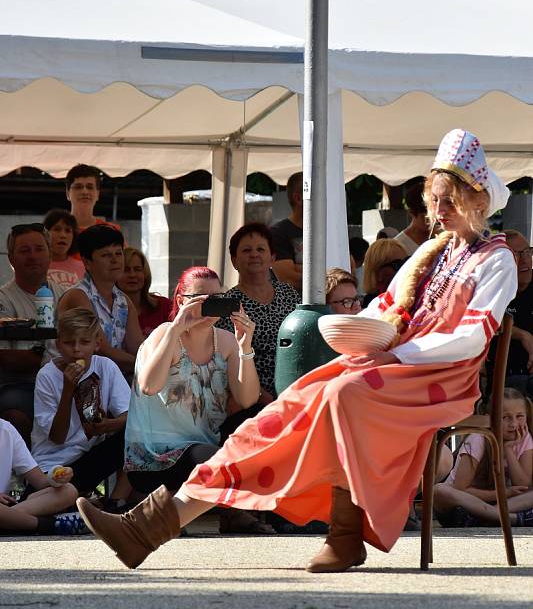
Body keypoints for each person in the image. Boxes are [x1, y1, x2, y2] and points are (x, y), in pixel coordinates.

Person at [76, 127, 517, 575]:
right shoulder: (433, 253)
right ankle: (150, 527)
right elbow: (384, 310)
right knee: (283, 410)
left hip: (441, 379)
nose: (439, 212)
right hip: (388, 367)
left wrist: (396, 356)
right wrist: (348, 328)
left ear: (477, 200)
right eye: (435, 201)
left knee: (341, 395)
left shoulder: (496, 259)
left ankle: (345, 536)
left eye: (449, 201)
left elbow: (472, 337)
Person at [122, 266, 273, 534]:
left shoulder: (225, 342)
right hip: (156, 456)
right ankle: (231, 512)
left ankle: (229, 511)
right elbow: (148, 386)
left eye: (218, 298)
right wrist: (176, 328)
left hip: (203, 444)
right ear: (181, 301)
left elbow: (247, 399)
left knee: (260, 418)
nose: (210, 306)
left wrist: (245, 346)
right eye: (201, 299)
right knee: (215, 459)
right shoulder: (165, 334)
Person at [31, 308, 131, 505]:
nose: (76, 349)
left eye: (84, 342)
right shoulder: (47, 376)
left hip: (88, 459)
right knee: (55, 494)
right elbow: (57, 437)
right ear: (58, 345)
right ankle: (77, 501)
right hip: (52, 468)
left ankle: (116, 502)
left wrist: (109, 424)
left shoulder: (106, 367)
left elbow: (130, 415)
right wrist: (68, 390)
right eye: (69, 343)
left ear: (97, 344)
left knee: (137, 434)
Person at [216, 223, 300, 402]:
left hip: (295, 391)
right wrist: (264, 398)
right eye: (246, 250)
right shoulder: (229, 303)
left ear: (272, 258)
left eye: (261, 249)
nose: (254, 254)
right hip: (250, 399)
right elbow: (227, 361)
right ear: (234, 260)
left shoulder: (290, 294)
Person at [0, 223, 68, 443]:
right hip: (21, 385)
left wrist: (37, 355)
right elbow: (7, 358)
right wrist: (43, 355)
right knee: (15, 416)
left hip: (66, 380)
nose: (33, 256)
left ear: (50, 255)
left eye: (39, 249)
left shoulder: (67, 295)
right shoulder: (4, 299)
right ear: (11, 259)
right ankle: (22, 474)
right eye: (24, 250)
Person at [434, 388, 533, 527]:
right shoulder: (478, 439)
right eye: (505, 417)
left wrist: (509, 450)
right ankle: (509, 519)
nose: (514, 424)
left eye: (520, 416)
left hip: (503, 504)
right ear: (489, 419)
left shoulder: (524, 438)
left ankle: (491, 516)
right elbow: (460, 489)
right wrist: (502, 493)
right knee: (439, 490)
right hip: (465, 503)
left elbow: (523, 485)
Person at [58, 225, 144, 374]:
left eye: (118, 253)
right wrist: (146, 365)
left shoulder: (124, 301)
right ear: (87, 262)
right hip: (72, 381)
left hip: (111, 380)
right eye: (106, 255)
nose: (115, 260)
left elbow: (139, 348)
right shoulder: (78, 296)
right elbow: (101, 350)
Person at [0, 417, 82, 535]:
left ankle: (10, 521)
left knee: (68, 491)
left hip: (5, 508)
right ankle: (49, 525)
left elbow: (40, 481)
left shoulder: (6, 429)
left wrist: (57, 477)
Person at [485, 230, 533, 399]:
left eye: (528, 251)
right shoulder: (491, 289)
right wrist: (522, 335)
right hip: (505, 381)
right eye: (517, 254)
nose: (525, 259)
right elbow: (484, 320)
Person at [117, 247, 171, 337]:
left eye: (137, 269)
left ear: (145, 273)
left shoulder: (164, 307)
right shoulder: (108, 311)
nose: (132, 275)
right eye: (126, 270)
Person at [270, 172, 303, 291]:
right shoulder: (278, 233)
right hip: (293, 308)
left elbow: (347, 271)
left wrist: (299, 268)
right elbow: (288, 279)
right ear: (299, 198)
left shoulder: (331, 233)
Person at [66, 164, 120, 234]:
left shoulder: (111, 231)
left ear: (97, 194)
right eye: (78, 187)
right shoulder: (55, 230)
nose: (84, 191)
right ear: (67, 194)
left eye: (90, 187)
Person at [361, 238, 409, 308]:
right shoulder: (373, 305)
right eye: (398, 264)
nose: (403, 268)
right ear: (378, 272)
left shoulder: (408, 294)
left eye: (406, 262)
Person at [44, 209, 85, 288]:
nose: (63, 235)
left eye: (68, 230)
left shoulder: (84, 269)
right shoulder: (36, 266)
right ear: (45, 234)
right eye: (57, 229)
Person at [395, 180, 430, 255]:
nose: (432, 221)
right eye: (425, 217)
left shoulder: (443, 238)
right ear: (411, 212)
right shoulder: (398, 246)